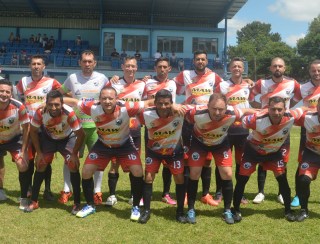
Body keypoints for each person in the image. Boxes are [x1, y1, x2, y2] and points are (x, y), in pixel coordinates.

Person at [69, 86, 153, 220]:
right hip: (103, 144)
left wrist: (175, 106)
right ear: (99, 99)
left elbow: (149, 103)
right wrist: (47, 102)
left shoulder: (127, 107)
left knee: (137, 171)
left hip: (124, 144)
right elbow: (73, 101)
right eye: (104, 98)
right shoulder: (92, 107)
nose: (107, 101)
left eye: (110, 98)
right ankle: (90, 205)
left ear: (117, 99)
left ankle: (136, 207)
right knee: (86, 171)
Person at [185, 93, 257, 224]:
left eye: (221, 109)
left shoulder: (232, 112)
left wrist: (265, 111)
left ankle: (227, 210)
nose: (217, 112)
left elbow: (247, 110)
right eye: (214, 108)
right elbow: (180, 110)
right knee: (194, 174)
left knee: (227, 174)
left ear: (226, 108)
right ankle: (191, 209)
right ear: (207, 106)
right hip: (199, 144)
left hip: (220, 145)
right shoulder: (196, 112)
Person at [232, 96, 304, 223]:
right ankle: (235, 209)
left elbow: (305, 109)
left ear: (285, 109)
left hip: (273, 152)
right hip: (252, 151)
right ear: (267, 109)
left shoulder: (291, 116)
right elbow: (238, 117)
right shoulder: (256, 119)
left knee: (282, 179)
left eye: (279, 110)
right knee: (242, 179)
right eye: (273, 109)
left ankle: (288, 211)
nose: (276, 113)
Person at [58, 50, 109, 205]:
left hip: (96, 127)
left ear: (94, 63)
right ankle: (67, 190)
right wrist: (72, 104)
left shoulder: (102, 78)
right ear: (79, 62)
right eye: (84, 61)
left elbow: (111, 96)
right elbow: (59, 95)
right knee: (70, 159)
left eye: (90, 61)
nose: (87, 64)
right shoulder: (72, 78)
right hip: (76, 128)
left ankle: (97, 192)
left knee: (98, 160)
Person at [249, 57, 302, 205]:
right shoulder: (262, 83)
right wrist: (259, 108)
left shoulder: (293, 83)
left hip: (282, 126)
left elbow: (299, 95)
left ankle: (280, 193)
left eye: (280, 66)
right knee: (261, 158)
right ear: (271, 69)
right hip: (264, 125)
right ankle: (260, 192)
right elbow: (251, 95)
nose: (277, 68)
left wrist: (289, 107)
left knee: (282, 159)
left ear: (284, 68)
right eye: (275, 66)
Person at [174, 50, 224, 207]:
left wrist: (247, 81)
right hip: (189, 120)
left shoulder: (214, 76)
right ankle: (188, 194)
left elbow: (227, 88)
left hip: (207, 122)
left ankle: (205, 194)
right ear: (193, 61)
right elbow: (169, 85)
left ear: (207, 61)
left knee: (207, 160)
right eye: (197, 59)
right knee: (188, 159)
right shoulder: (185, 74)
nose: (200, 61)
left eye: (203, 59)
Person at [25, 90, 85, 214]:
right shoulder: (40, 112)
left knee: (73, 165)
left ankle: (77, 203)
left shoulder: (69, 113)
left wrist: (74, 154)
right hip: (49, 139)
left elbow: (81, 134)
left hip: (67, 139)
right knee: (41, 164)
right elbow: (33, 131)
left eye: (57, 104)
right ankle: (34, 201)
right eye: (50, 104)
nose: (53, 107)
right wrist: (39, 153)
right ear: (46, 103)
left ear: (62, 104)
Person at [16, 54, 62, 201]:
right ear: (30, 66)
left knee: (45, 159)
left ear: (44, 67)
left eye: (39, 64)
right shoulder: (23, 81)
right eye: (33, 64)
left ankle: (47, 190)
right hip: (29, 127)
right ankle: (29, 188)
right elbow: (17, 98)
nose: (36, 66)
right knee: (29, 159)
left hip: (46, 127)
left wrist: (49, 106)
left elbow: (63, 94)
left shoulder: (51, 82)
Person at [138, 89, 188, 223]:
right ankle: (146, 211)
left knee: (179, 178)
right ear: (155, 103)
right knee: (148, 178)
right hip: (154, 152)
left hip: (174, 151)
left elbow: (201, 107)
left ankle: (180, 212)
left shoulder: (181, 112)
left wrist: (178, 106)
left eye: (167, 104)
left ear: (172, 103)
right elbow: (134, 107)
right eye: (160, 103)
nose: (163, 107)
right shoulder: (146, 114)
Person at [105, 56, 145, 206]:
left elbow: (145, 105)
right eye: (127, 66)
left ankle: (134, 196)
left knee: (134, 164)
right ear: (122, 67)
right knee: (114, 163)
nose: (130, 69)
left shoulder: (142, 85)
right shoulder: (114, 84)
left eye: (133, 66)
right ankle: (112, 195)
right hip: (117, 130)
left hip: (135, 130)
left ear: (136, 68)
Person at [214, 57, 252, 205]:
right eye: (234, 66)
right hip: (226, 130)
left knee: (240, 163)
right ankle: (219, 192)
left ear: (243, 69)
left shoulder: (249, 86)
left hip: (242, 130)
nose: (237, 68)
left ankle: (239, 193)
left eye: (239, 66)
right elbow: (216, 103)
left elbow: (253, 103)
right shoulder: (223, 85)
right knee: (222, 162)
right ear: (229, 69)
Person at [144, 57, 178, 205]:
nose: (162, 69)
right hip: (152, 125)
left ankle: (166, 193)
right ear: (155, 68)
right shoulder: (147, 83)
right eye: (159, 67)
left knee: (168, 162)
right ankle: (146, 193)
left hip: (170, 126)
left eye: (165, 67)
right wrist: (116, 78)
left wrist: (247, 81)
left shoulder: (174, 83)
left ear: (169, 69)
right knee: (150, 160)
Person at [291, 59, 320, 207]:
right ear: (309, 72)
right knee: (303, 162)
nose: (316, 73)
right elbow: (290, 103)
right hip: (309, 127)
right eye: (313, 70)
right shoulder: (303, 88)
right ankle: (298, 195)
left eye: (319, 70)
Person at [0, 79, 31, 207]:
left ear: (11, 94)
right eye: (1, 91)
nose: (4, 94)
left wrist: (23, 151)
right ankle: (1, 191)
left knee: (22, 164)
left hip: (15, 139)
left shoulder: (19, 107)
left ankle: (24, 197)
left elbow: (27, 128)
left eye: (7, 91)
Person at [295, 97, 320, 221]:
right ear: (317, 107)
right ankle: (304, 210)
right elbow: (289, 118)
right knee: (304, 180)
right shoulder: (308, 117)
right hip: (312, 153)